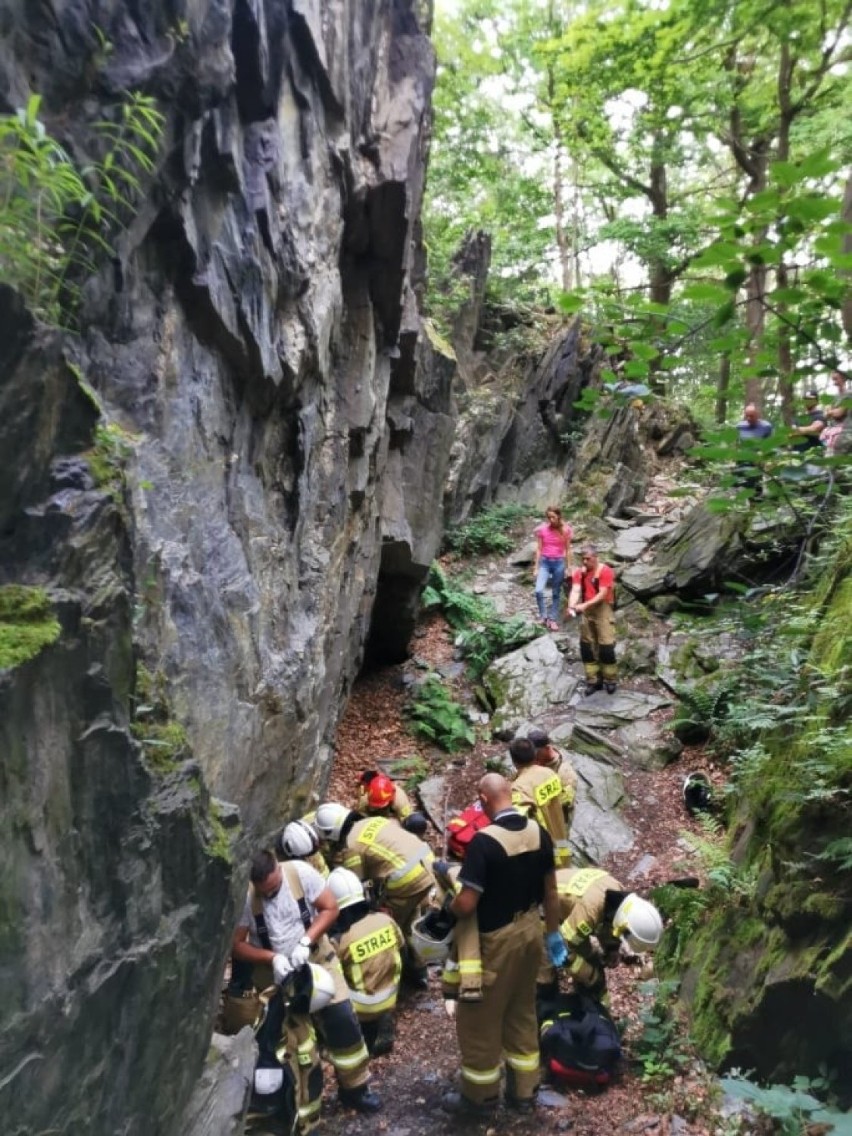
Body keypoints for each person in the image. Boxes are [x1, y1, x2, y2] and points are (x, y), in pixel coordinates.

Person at [441, 773, 566, 1117]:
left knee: (479, 1019)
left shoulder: (484, 842)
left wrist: (448, 908)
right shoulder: (538, 833)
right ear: (510, 793)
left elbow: (467, 903)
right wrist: (552, 933)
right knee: (521, 1009)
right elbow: (551, 892)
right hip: (530, 932)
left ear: (482, 798)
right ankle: (524, 1093)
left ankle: (479, 1100)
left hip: (496, 941)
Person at [232, 849, 381, 1117]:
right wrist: (272, 958)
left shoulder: (299, 874)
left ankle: (356, 1090)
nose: (270, 894)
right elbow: (237, 946)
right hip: (277, 976)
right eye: (264, 891)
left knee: (342, 1020)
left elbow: (330, 908)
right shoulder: (247, 898)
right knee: (298, 1051)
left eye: (274, 887)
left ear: (278, 869)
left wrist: (306, 940)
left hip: (316, 959)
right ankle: (306, 1113)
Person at [313, 802, 436, 975]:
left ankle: (393, 969)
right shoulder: (374, 821)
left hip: (407, 881)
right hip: (428, 863)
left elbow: (357, 886)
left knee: (389, 924)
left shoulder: (351, 847)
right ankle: (418, 964)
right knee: (411, 917)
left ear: (330, 832)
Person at [537, 866, 663, 1003]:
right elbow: (564, 951)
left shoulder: (618, 894)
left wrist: (612, 948)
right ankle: (542, 1006)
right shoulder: (589, 912)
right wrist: (590, 975)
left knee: (589, 959)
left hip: (566, 905)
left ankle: (588, 1002)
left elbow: (608, 921)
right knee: (546, 974)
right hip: (538, 909)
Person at [326, 867, 404, 1057]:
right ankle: (384, 1024)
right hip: (392, 994)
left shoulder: (340, 940)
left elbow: (332, 978)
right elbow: (402, 949)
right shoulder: (386, 920)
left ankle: (343, 1041)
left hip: (363, 1007)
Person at [508, 736, 571, 867]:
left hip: (544, 847)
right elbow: (564, 799)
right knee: (565, 868)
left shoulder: (519, 788)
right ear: (534, 754)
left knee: (552, 881)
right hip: (560, 834)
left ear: (514, 761)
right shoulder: (550, 773)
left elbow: (517, 823)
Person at [566, 545, 618, 695]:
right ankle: (593, 680)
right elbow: (575, 590)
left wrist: (585, 605)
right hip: (586, 611)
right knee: (587, 646)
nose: (585, 561)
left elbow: (602, 593)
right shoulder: (579, 573)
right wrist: (572, 606)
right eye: (583, 558)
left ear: (596, 557)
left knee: (606, 645)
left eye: (588, 558)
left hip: (602, 610)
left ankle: (610, 679)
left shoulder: (605, 571)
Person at [528, 727, 577, 849]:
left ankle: (563, 863)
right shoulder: (539, 761)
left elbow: (565, 802)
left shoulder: (565, 773)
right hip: (542, 816)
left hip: (560, 818)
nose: (533, 756)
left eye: (536, 752)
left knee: (560, 844)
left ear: (547, 748)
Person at [533, 505, 573, 631]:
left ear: (559, 516)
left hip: (559, 563)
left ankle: (552, 619)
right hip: (545, 562)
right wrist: (536, 567)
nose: (551, 520)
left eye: (553, 517)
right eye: (549, 517)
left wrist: (568, 567)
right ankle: (543, 615)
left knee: (556, 592)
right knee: (539, 590)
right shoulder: (543, 530)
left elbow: (568, 549)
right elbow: (539, 549)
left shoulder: (566, 530)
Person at [355, 769, 427, 835]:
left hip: (391, 816)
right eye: (376, 806)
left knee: (416, 821)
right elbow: (362, 817)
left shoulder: (400, 799)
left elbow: (405, 818)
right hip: (372, 817)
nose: (378, 807)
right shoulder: (364, 797)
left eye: (381, 805)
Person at [734, 403, 773, 495]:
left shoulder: (766, 427)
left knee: (756, 484)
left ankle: (755, 504)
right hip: (742, 460)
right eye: (747, 416)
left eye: (751, 416)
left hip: (757, 460)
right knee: (742, 484)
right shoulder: (740, 426)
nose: (748, 418)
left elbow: (770, 444)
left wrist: (766, 458)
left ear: (757, 415)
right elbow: (736, 442)